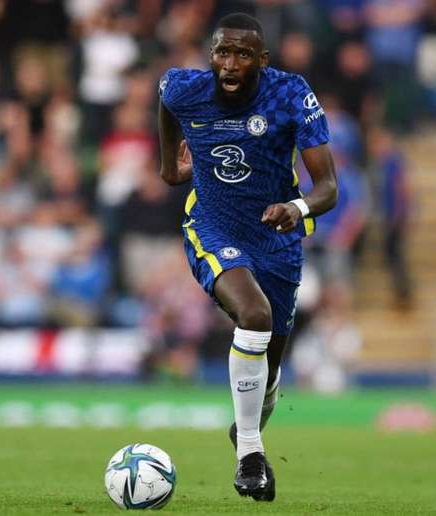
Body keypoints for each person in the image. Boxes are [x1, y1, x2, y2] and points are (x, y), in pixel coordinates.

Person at [157, 13, 337, 501]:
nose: (229, 64)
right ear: (211, 54)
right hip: (213, 228)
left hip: (277, 239)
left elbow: (328, 187)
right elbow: (166, 101)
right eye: (221, 52)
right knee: (253, 316)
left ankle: (248, 429)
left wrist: (295, 208)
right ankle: (251, 457)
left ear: (262, 60)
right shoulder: (184, 88)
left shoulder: (290, 94)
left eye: (241, 54)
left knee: (271, 370)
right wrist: (169, 164)